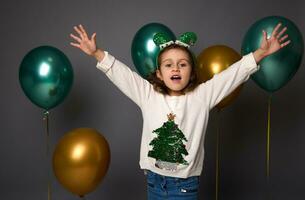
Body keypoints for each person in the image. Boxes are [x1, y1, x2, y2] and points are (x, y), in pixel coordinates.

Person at [70, 24, 290, 200]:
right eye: (169, 65)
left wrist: (260, 54)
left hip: (184, 188)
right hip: (154, 182)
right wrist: (97, 53)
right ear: (159, 73)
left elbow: (232, 75)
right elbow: (122, 74)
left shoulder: (202, 96)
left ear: (191, 72)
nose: (176, 68)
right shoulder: (148, 95)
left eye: (183, 64)